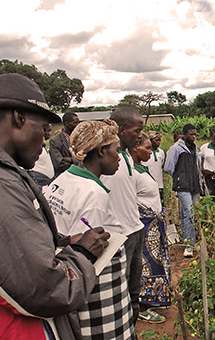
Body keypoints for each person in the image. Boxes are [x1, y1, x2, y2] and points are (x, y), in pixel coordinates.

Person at [0, 73, 109, 339]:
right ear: (19, 118)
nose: (46, 141)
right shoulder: (4, 184)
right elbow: (47, 287)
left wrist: (66, 241)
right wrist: (83, 255)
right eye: (44, 129)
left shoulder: (12, 174)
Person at [44, 119, 136, 339]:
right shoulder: (94, 194)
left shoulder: (64, 179)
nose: (120, 158)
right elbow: (87, 253)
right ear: (102, 151)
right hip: (96, 293)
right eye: (117, 150)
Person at [100, 106, 145, 324]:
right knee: (120, 289)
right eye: (137, 130)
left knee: (134, 288)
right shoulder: (104, 156)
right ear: (122, 129)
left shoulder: (125, 155)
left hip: (134, 228)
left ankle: (132, 327)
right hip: (119, 234)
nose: (140, 135)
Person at [130, 135, 171, 324]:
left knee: (154, 264)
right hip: (144, 226)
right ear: (135, 148)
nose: (150, 151)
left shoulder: (141, 169)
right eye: (147, 148)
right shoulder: (130, 172)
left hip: (153, 225)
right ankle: (142, 306)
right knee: (144, 266)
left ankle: (152, 300)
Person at [165, 123, 203, 258]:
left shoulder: (195, 149)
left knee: (188, 214)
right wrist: (180, 177)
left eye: (195, 134)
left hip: (194, 185)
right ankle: (189, 245)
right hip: (183, 186)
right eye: (191, 134)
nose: (194, 137)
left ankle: (186, 240)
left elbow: (198, 167)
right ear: (185, 134)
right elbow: (169, 167)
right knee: (190, 212)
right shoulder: (176, 149)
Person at [50, 111, 80, 177]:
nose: (78, 125)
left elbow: (86, 159)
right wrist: (78, 163)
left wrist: (70, 160)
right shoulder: (55, 141)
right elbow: (58, 164)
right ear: (67, 124)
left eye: (78, 122)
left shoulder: (81, 138)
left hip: (80, 177)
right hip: (64, 177)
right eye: (75, 123)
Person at [29, 123, 55, 187]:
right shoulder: (34, 145)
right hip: (39, 179)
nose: (50, 133)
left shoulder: (43, 144)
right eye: (48, 131)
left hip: (47, 179)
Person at [141, 131, 166, 199]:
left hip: (159, 184)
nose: (158, 142)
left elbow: (161, 164)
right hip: (147, 185)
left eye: (159, 140)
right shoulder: (145, 152)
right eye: (156, 140)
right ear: (151, 140)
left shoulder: (161, 152)